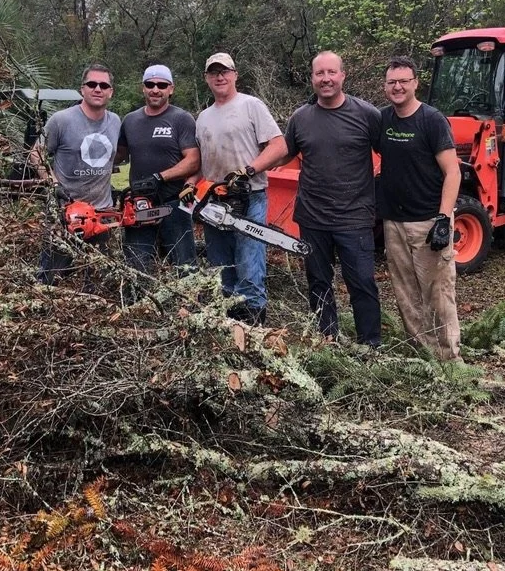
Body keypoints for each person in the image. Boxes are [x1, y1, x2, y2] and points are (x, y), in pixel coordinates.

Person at [273, 51, 383, 347]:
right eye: (319, 74)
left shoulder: (367, 114)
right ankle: (327, 338)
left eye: (331, 72)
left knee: (362, 283)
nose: (326, 79)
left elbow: (390, 153)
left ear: (343, 76)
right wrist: (254, 164)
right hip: (312, 216)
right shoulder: (300, 118)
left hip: (355, 217)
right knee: (319, 282)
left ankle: (370, 344)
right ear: (312, 79)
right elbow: (284, 152)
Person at [184, 52, 287, 325]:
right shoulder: (203, 117)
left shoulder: (251, 105)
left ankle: (253, 321)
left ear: (235, 75)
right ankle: (229, 320)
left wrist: (248, 170)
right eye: (214, 72)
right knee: (220, 264)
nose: (220, 76)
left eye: (225, 71)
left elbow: (279, 146)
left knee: (249, 262)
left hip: (248, 195)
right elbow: (200, 163)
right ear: (207, 78)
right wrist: (190, 184)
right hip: (214, 199)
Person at [376, 55, 462, 361]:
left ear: (415, 83)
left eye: (403, 81)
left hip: (427, 221)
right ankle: (420, 356)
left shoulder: (432, 120)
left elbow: (453, 171)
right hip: (394, 221)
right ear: (385, 86)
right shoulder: (384, 120)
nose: (397, 87)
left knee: (437, 293)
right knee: (405, 294)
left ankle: (449, 359)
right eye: (392, 82)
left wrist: (444, 218)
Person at [32, 63, 121, 284]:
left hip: (102, 213)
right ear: (82, 89)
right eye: (92, 84)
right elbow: (36, 153)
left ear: (111, 91)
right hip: (66, 212)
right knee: (50, 275)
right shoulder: (61, 120)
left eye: (103, 85)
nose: (97, 89)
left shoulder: (116, 121)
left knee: (97, 279)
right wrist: (53, 185)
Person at [116, 64, 200, 272]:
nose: (155, 89)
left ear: (171, 89)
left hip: (173, 202)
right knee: (136, 265)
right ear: (143, 88)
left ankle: (188, 303)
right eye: (150, 84)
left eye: (161, 85)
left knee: (184, 266)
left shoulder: (181, 119)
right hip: (140, 205)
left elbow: (193, 160)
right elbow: (118, 156)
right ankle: (139, 304)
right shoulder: (130, 120)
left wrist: (160, 177)